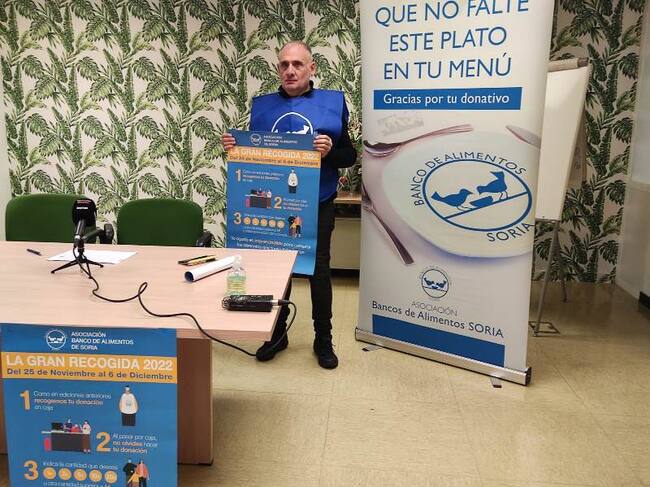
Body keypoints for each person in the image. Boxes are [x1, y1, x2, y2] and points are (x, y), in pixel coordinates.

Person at [223, 41, 357, 369]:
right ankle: (277, 334)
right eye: (284, 64)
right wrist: (235, 148)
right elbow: (257, 156)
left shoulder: (331, 104)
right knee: (277, 270)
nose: (290, 70)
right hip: (276, 206)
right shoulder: (264, 108)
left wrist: (330, 151)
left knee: (318, 270)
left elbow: (349, 156)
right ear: (278, 69)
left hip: (318, 202)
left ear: (312, 68)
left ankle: (323, 339)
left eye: (297, 64)